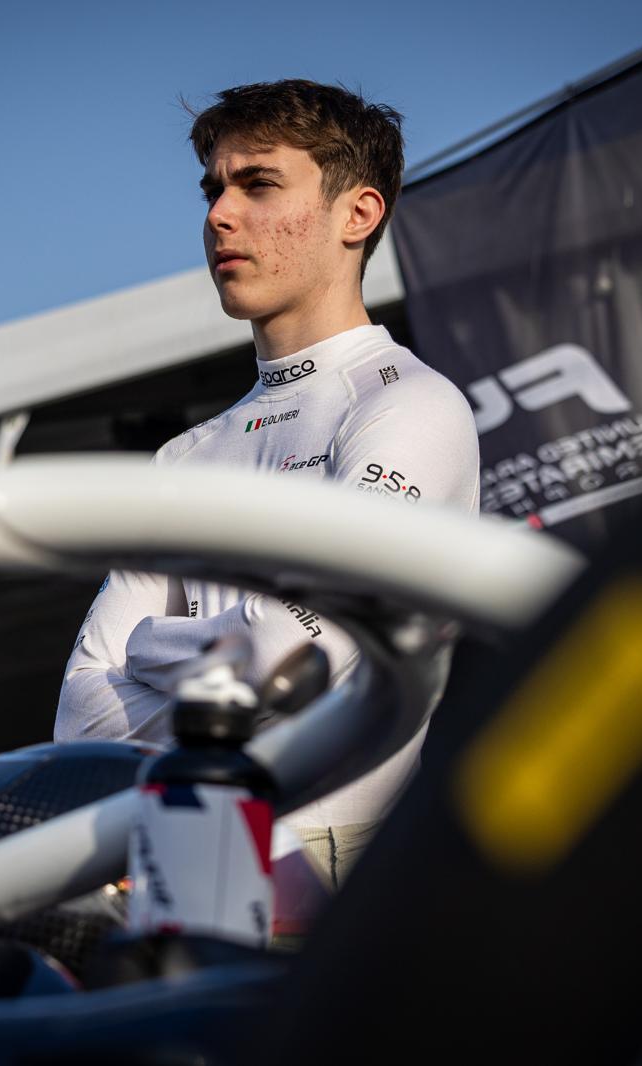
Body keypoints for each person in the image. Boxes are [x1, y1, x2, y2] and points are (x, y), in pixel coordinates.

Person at [54, 79, 480, 888]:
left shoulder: (410, 404)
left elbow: (293, 652)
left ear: (358, 214)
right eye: (214, 190)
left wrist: (148, 648)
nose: (219, 215)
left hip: (341, 867)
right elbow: (82, 718)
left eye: (258, 185)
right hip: (189, 851)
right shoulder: (185, 457)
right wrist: (237, 658)